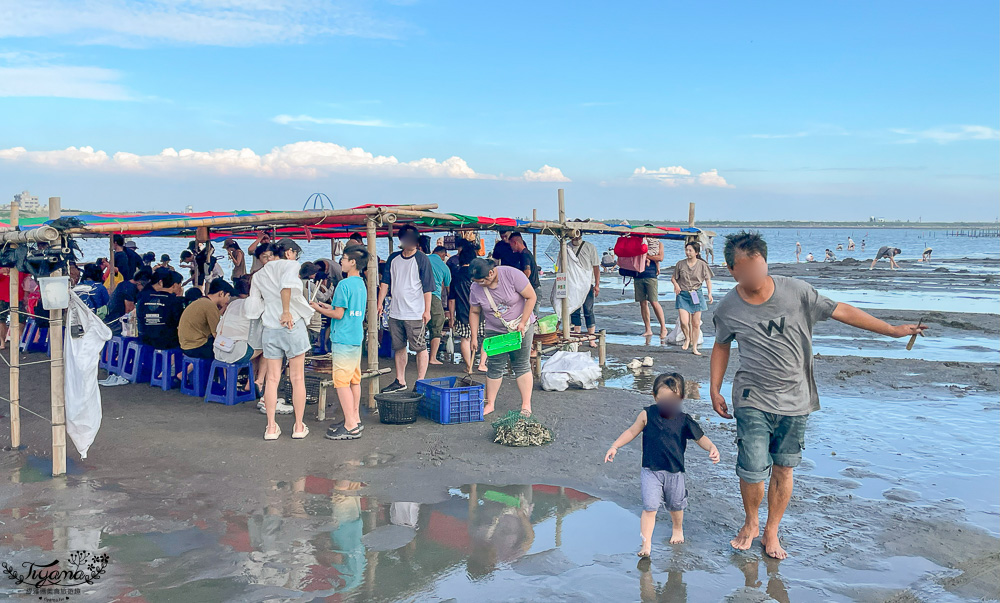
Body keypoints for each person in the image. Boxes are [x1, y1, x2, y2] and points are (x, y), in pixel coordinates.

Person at [710, 231, 926, 559]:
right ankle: (751, 522)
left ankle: (772, 530)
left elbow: (844, 311)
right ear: (732, 271)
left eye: (760, 267)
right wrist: (715, 387)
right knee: (752, 467)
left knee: (784, 468)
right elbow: (722, 344)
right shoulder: (727, 307)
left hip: (796, 398)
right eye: (747, 271)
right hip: (752, 397)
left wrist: (892, 331)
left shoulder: (797, 292)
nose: (756, 276)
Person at [605, 373, 719, 555]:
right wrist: (615, 446)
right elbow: (631, 431)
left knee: (676, 505)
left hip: (675, 472)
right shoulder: (647, 414)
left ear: (681, 398)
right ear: (654, 397)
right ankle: (646, 544)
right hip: (651, 470)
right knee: (650, 507)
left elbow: (700, 438)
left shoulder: (684, 420)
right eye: (662, 399)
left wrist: (712, 448)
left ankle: (677, 528)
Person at [245, 238, 314, 441]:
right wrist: (285, 311)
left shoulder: (258, 275)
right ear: (287, 252)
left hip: (270, 328)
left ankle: (271, 427)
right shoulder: (291, 266)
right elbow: (287, 288)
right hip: (291, 325)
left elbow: (253, 308)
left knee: (272, 380)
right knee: (297, 378)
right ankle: (299, 426)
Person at [310, 247, 369, 441]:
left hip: (343, 338)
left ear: (352, 262)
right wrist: (328, 307)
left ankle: (351, 426)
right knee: (354, 379)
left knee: (341, 382)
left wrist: (318, 308)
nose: (340, 262)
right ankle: (354, 418)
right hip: (355, 336)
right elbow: (344, 309)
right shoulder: (361, 284)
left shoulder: (344, 285)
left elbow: (338, 314)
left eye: (343, 259)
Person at [215, 275, 292, 415]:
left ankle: (229, 383)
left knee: (255, 346)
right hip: (238, 351)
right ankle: (258, 382)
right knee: (268, 349)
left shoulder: (233, 304)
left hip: (219, 348)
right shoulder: (259, 307)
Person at [469, 258, 536, 416]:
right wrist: (473, 336)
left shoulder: (512, 275)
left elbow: (531, 297)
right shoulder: (475, 288)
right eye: (475, 282)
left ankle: (526, 405)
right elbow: (474, 311)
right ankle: (490, 403)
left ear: (491, 273)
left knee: (521, 364)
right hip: (495, 329)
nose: (478, 284)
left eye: (481, 281)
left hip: (521, 326)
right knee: (494, 365)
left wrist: (523, 322)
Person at [377, 224, 435, 392]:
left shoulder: (422, 259)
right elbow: (385, 282)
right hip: (395, 311)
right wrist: (380, 303)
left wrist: (427, 310)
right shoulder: (393, 258)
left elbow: (428, 287)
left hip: (415, 312)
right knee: (399, 346)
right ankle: (400, 380)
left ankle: (421, 381)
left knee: (419, 346)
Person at [671, 241, 713, 355]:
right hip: (683, 295)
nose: (688, 252)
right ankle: (687, 338)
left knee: (696, 323)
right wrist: (676, 286)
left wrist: (709, 293)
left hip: (696, 294)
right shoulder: (680, 264)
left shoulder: (702, 264)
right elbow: (674, 278)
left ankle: (694, 347)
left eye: (690, 250)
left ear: (696, 252)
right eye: (686, 250)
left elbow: (708, 279)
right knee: (684, 322)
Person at [179, 278, 234, 359]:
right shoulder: (210, 306)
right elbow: (217, 334)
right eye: (228, 296)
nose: (228, 300)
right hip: (196, 347)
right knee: (229, 350)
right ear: (221, 293)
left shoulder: (201, 301)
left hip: (186, 345)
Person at [448, 244, 478, 372]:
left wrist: (451, 316)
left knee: (465, 339)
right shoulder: (477, 275)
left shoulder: (456, 275)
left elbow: (451, 299)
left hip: (462, 313)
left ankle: (469, 366)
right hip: (478, 311)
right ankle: (482, 363)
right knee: (483, 337)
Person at [137, 271, 185, 350]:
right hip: (166, 341)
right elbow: (180, 322)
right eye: (180, 284)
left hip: (144, 339)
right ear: (175, 285)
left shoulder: (143, 298)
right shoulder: (174, 301)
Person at [569, 233, 601, 348]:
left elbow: (596, 267)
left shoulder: (590, 247)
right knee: (575, 311)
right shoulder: (566, 247)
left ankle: (591, 338)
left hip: (587, 284)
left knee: (588, 310)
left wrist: (597, 284)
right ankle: (577, 337)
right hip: (573, 283)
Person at [425, 243, 453, 365]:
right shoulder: (444, 266)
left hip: (416, 296)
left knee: (419, 324)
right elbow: (448, 289)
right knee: (437, 324)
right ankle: (432, 357)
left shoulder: (423, 259)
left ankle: (420, 354)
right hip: (433, 296)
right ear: (443, 255)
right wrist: (449, 308)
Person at [636, 236, 667, 339]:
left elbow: (660, 257)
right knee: (643, 302)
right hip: (638, 274)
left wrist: (646, 257)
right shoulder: (639, 242)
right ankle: (648, 329)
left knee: (654, 301)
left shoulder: (659, 244)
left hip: (651, 275)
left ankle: (663, 328)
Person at [105, 269, 150, 336]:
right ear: (139, 284)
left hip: (111, 319)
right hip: (116, 324)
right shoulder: (129, 289)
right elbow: (129, 312)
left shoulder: (124, 284)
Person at [0, 267, 31, 350]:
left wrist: (26, 293)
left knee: (21, 319)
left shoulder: (20, 264)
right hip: (1, 295)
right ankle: (2, 341)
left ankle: (19, 339)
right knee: (1, 319)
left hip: (18, 295)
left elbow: (27, 279)